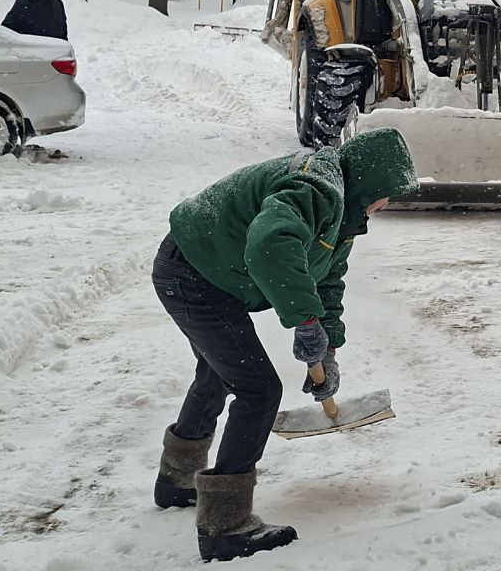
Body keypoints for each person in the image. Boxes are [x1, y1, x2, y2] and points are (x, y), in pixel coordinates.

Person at [151, 128, 418, 561]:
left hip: (208, 272)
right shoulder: (316, 187)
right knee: (259, 390)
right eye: (387, 194)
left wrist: (327, 347)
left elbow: (327, 279)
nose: (386, 205)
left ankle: (177, 479)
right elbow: (269, 245)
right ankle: (225, 526)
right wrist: (303, 320)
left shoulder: (343, 213)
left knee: (219, 372)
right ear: (370, 181)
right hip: (195, 274)